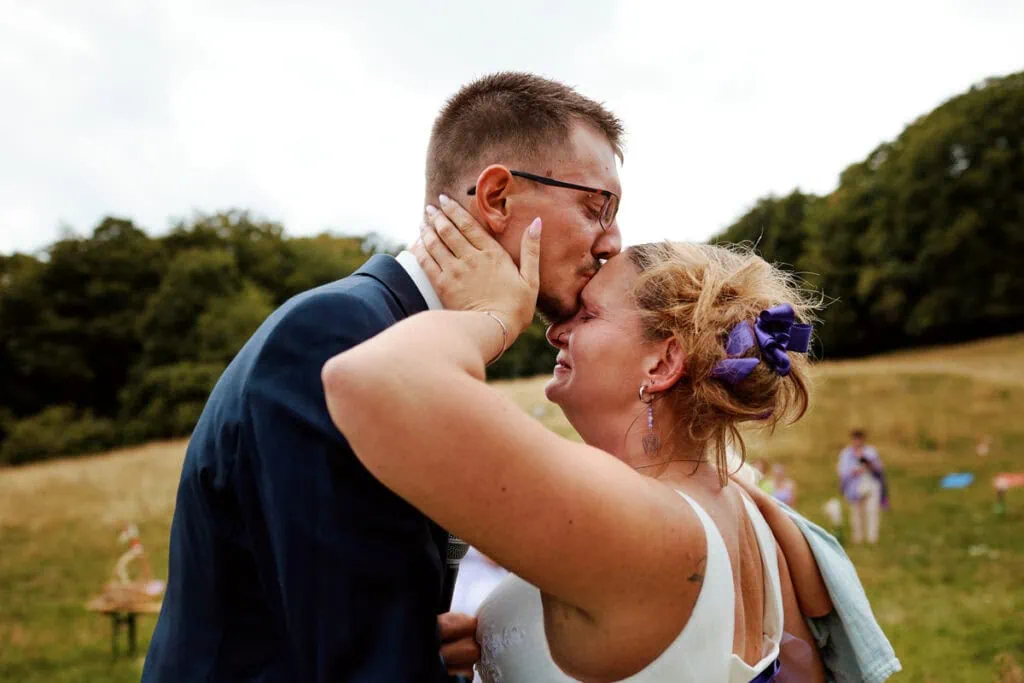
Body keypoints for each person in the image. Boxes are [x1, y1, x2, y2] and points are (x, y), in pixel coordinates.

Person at [141, 72, 624, 682]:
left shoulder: (402, 339)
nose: (612, 242)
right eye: (597, 207)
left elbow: (349, 606)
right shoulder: (335, 334)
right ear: (497, 197)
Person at [323, 199, 836, 681]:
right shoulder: (744, 509)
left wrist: (492, 315)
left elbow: (372, 378)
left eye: (588, 315)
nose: (554, 331)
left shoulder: (643, 520)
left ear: (663, 363)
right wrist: (495, 642)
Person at [837, 429, 887, 545]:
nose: (857, 441)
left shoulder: (870, 451)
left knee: (872, 512)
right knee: (856, 514)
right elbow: (842, 472)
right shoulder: (846, 454)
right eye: (855, 439)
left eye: (859, 439)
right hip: (854, 488)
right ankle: (857, 538)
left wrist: (869, 464)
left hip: (871, 485)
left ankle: (872, 538)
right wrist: (853, 472)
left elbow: (879, 468)